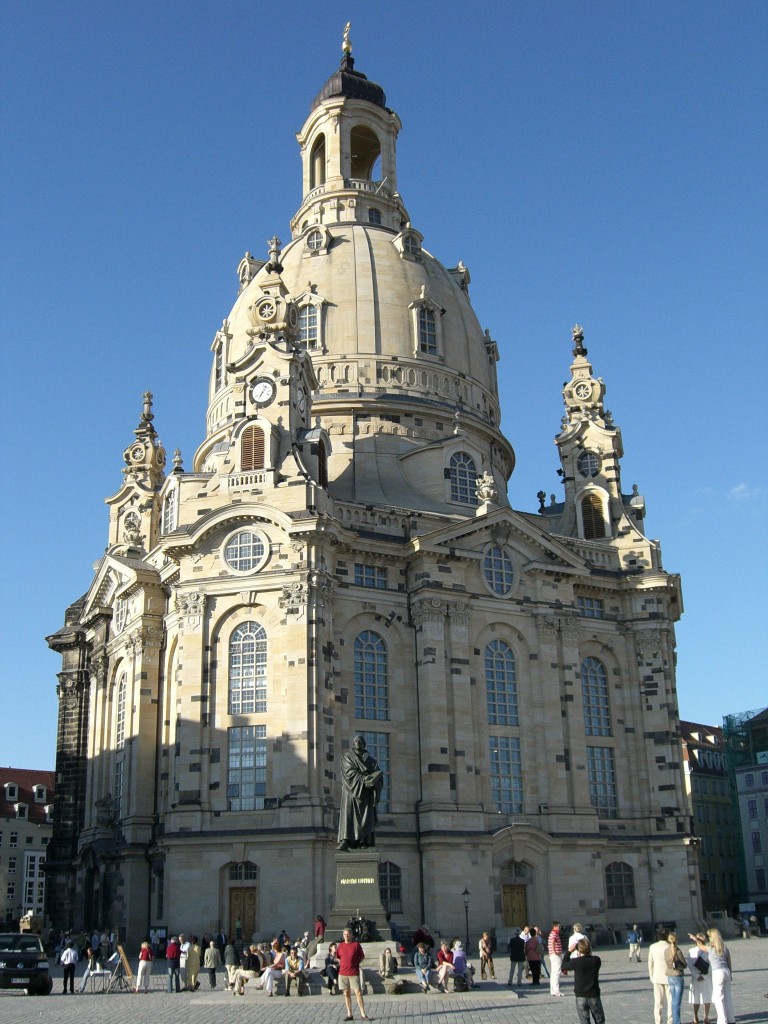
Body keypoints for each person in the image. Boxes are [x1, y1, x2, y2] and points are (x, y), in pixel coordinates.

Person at [337, 734, 384, 850]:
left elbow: (379, 777)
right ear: (353, 744)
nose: (358, 743)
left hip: (366, 794)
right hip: (351, 792)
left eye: (361, 741)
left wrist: (374, 781)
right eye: (356, 741)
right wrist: (364, 779)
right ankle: (345, 840)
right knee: (348, 815)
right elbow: (349, 773)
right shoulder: (347, 757)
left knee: (366, 818)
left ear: (364, 744)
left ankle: (364, 841)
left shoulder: (371, 761)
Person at [690, 929, 733, 1024]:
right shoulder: (724, 946)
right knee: (727, 998)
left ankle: (722, 1020)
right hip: (726, 971)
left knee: (718, 998)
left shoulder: (711, 947)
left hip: (718, 972)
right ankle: (731, 1019)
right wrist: (730, 973)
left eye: (709, 937)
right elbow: (729, 960)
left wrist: (695, 939)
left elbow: (700, 947)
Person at [563, 937, 605, 1024]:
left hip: (580, 995)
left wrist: (569, 951)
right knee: (599, 1020)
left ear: (578, 950)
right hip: (594, 994)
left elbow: (563, 965)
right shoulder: (596, 960)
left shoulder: (575, 962)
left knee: (584, 1021)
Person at [337, 926, 370, 1019]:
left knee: (358, 992)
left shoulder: (356, 945)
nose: (346, 936)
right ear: (343, 935)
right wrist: (343, 963)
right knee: (346, 993)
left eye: (348, 934)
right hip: (343, 973)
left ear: (351, 935)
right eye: (345, 934)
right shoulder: (340, 945)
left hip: (353, 973)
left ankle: (363, 1014)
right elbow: (337, 956)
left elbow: (362, 956)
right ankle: (349, 1014)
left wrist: (356, 963)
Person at [685, 932, 713, 1024]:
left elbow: (711, 965)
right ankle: (698, 1016)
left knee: (705, 997)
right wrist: (698, 976)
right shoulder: (692, 950)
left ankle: (704, 1016)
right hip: (698, 977)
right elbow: (690, 965)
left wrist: (703, 976)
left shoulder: (707, 950)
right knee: (698, 998)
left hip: (704, 977)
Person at [648, 927, 671, 1024]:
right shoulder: (670, 946)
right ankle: (671, 1021)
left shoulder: (653, 947)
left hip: (657, 976)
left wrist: (651, 976)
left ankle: (658, 1021)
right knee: (671, 1002)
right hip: (670, 977)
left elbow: (650, 963)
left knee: (658, 1002)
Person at [664, 932, 687, 1024]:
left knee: (673, 1000)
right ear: (676, 940)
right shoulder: (678, 951)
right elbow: (684, 964)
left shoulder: (666, 950)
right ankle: (677, 1022)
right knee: (677, 1001)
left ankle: (674, 1020)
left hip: (670, 975)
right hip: (677, 976)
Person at [548, 921, 564, 996]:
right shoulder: (554, 934)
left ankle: (553, 990)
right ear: (555, 926)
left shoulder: (552, 934)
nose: (559, 928)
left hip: (552, 955)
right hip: (556, 955)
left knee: (553, 973)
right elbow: (553, 942)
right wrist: (555, 952)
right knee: (557, 972)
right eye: (558, 927)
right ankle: (556, 990)